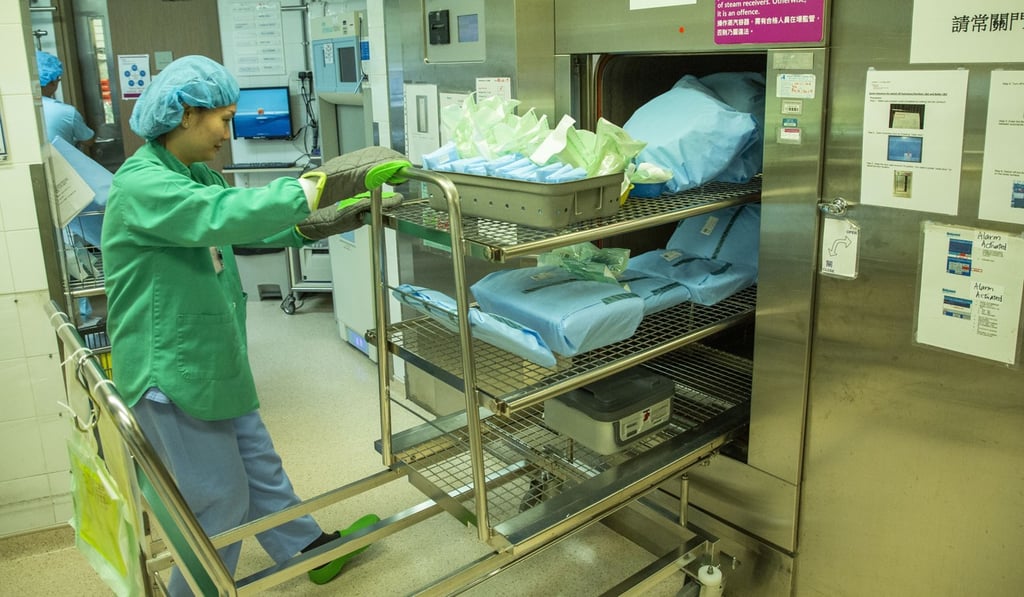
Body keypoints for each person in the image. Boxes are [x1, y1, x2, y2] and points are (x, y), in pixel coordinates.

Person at [100, 55, 408, 595]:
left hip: (211, 355)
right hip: (170, 369)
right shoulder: (142, 186)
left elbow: (244, 224)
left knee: (258, 466)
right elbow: (222, 216)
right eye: (221, 117)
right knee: (219, 498)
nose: (228, 130)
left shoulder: (190, 173)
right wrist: (323, 183)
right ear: (184, 115)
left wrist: (327, 220)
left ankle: (303, 548)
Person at [38, 50, 104, 324]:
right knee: (75, 249)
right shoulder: (65, 112)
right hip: (69, 191)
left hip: (37, 195)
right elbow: (88, 139)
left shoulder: (18, 112)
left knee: (52, 251)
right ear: (52, 81)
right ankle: (84, 318)